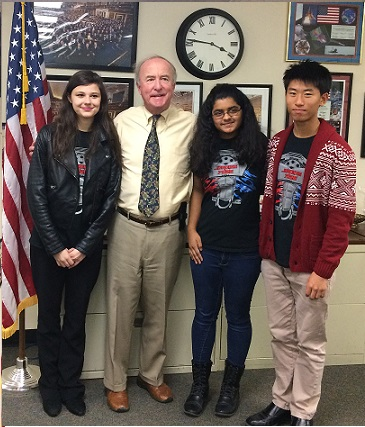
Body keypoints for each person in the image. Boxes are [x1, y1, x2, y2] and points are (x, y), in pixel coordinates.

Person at [246, 60, 356, 427]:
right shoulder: (277, 142)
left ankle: (303, 412)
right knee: (281, 336)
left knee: (309, 342)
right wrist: (265, 250)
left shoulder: (337, 151)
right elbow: (269, 199)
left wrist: (323, 271)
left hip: (310, 266)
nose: (298, 101)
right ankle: (281, 402)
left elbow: (340, 218)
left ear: (324, 98)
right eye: (293, 93)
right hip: (274, 259)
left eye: (307, 93)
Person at [103, 55, 196, 412]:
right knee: (120, 306)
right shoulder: (120, 122)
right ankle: (115, 382)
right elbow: (93, 160)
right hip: (124, 225)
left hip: (168, 230)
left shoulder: (192, 125)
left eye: (165, 79)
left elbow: (203, 177)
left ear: (174, 85)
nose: (158, 86)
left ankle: (152, 376)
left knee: (158, 308)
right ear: (139, 86)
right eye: (150, 79)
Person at [26, 70, 121, 418]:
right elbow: (36, 195)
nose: (87, 102)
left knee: (76, 320)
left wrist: (83, 247)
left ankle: (71, 386)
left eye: (94, 96)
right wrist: (55, 247)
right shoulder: (49, 137)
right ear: (70, 99)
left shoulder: (109, 140)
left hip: (87, 248)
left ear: (101, 101)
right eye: (80, 95)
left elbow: (110, 199)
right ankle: (49, 386)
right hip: (48, 247)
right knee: (49, 319)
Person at [183, 84, 268, 418]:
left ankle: (230, 386)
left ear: (243, 111)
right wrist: (190, 230)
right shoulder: (204, 144)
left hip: (246, 250)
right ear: (211, 116)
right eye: (219, 112)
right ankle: (199, 385)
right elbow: (197, 193)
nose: (226, 117)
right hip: (207, 245)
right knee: (204, 315)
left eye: (232, 110)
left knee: (238, 316)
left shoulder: (260, 146)